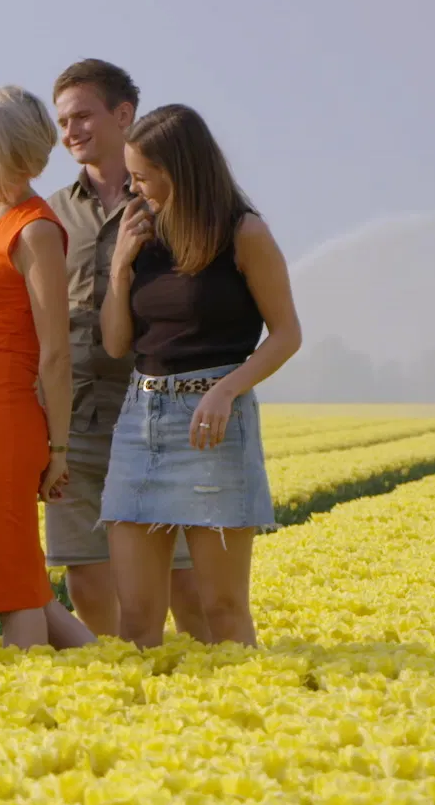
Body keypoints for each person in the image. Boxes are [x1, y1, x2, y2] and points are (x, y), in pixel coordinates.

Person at [100, 104, 302, 647]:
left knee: (223, 608)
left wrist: (227, 389)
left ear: (182, 170)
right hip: (140, 421)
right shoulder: (138, 229)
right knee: (138, 616)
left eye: (143, 175)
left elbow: (286, 334)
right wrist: (120, 267)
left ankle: (243, 722)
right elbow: (117, 343)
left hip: (212, 427)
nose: (134, 188)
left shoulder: (244, 232)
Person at [45, 61, 206, 641]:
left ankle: (201, 693)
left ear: (123, 114)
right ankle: (125, 689)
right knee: (85, 575)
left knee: (186, 580)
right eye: (62, 120)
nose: (70, 131)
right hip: (75, 415)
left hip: (154, 415)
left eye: (82, 115)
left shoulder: (171, 204)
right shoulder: (52, 212)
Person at [0, 87, 96, 650]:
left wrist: (58, 450)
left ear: (19, 154)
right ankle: (121, 685)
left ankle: (23, 706)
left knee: (10, 577)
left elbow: (56, 352)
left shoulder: (36, 229)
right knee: (23, 577)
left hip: (6, 419)